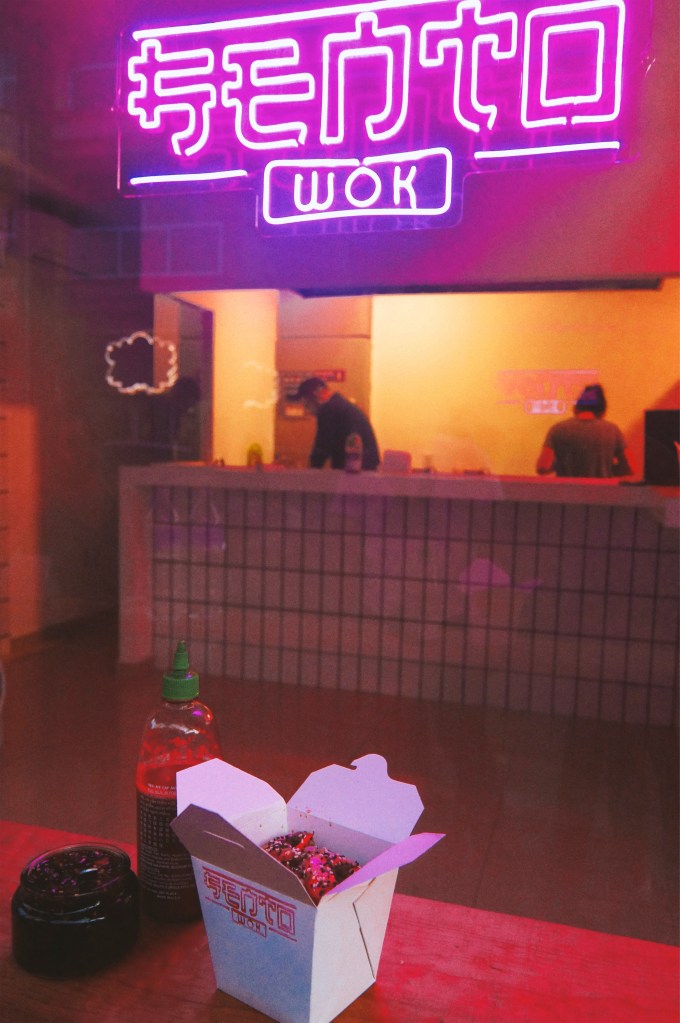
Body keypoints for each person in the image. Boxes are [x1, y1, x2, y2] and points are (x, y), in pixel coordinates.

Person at [536, 383, 634, 478]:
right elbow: (631, 467)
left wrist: (561, 464)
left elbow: (542, 467)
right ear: (602, 410)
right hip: (601, 489)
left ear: (576, 407)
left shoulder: (558, 429)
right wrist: (608, 469)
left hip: (567, 489)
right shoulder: (612, 431)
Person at [290, 377, 380, 470]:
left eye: (307, 402)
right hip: (364, 468)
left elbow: (322, 447)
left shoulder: (329, 409)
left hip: (354, 469)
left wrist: (311, 471)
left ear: (316, 394)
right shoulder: (343, 406)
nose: (307, 408)